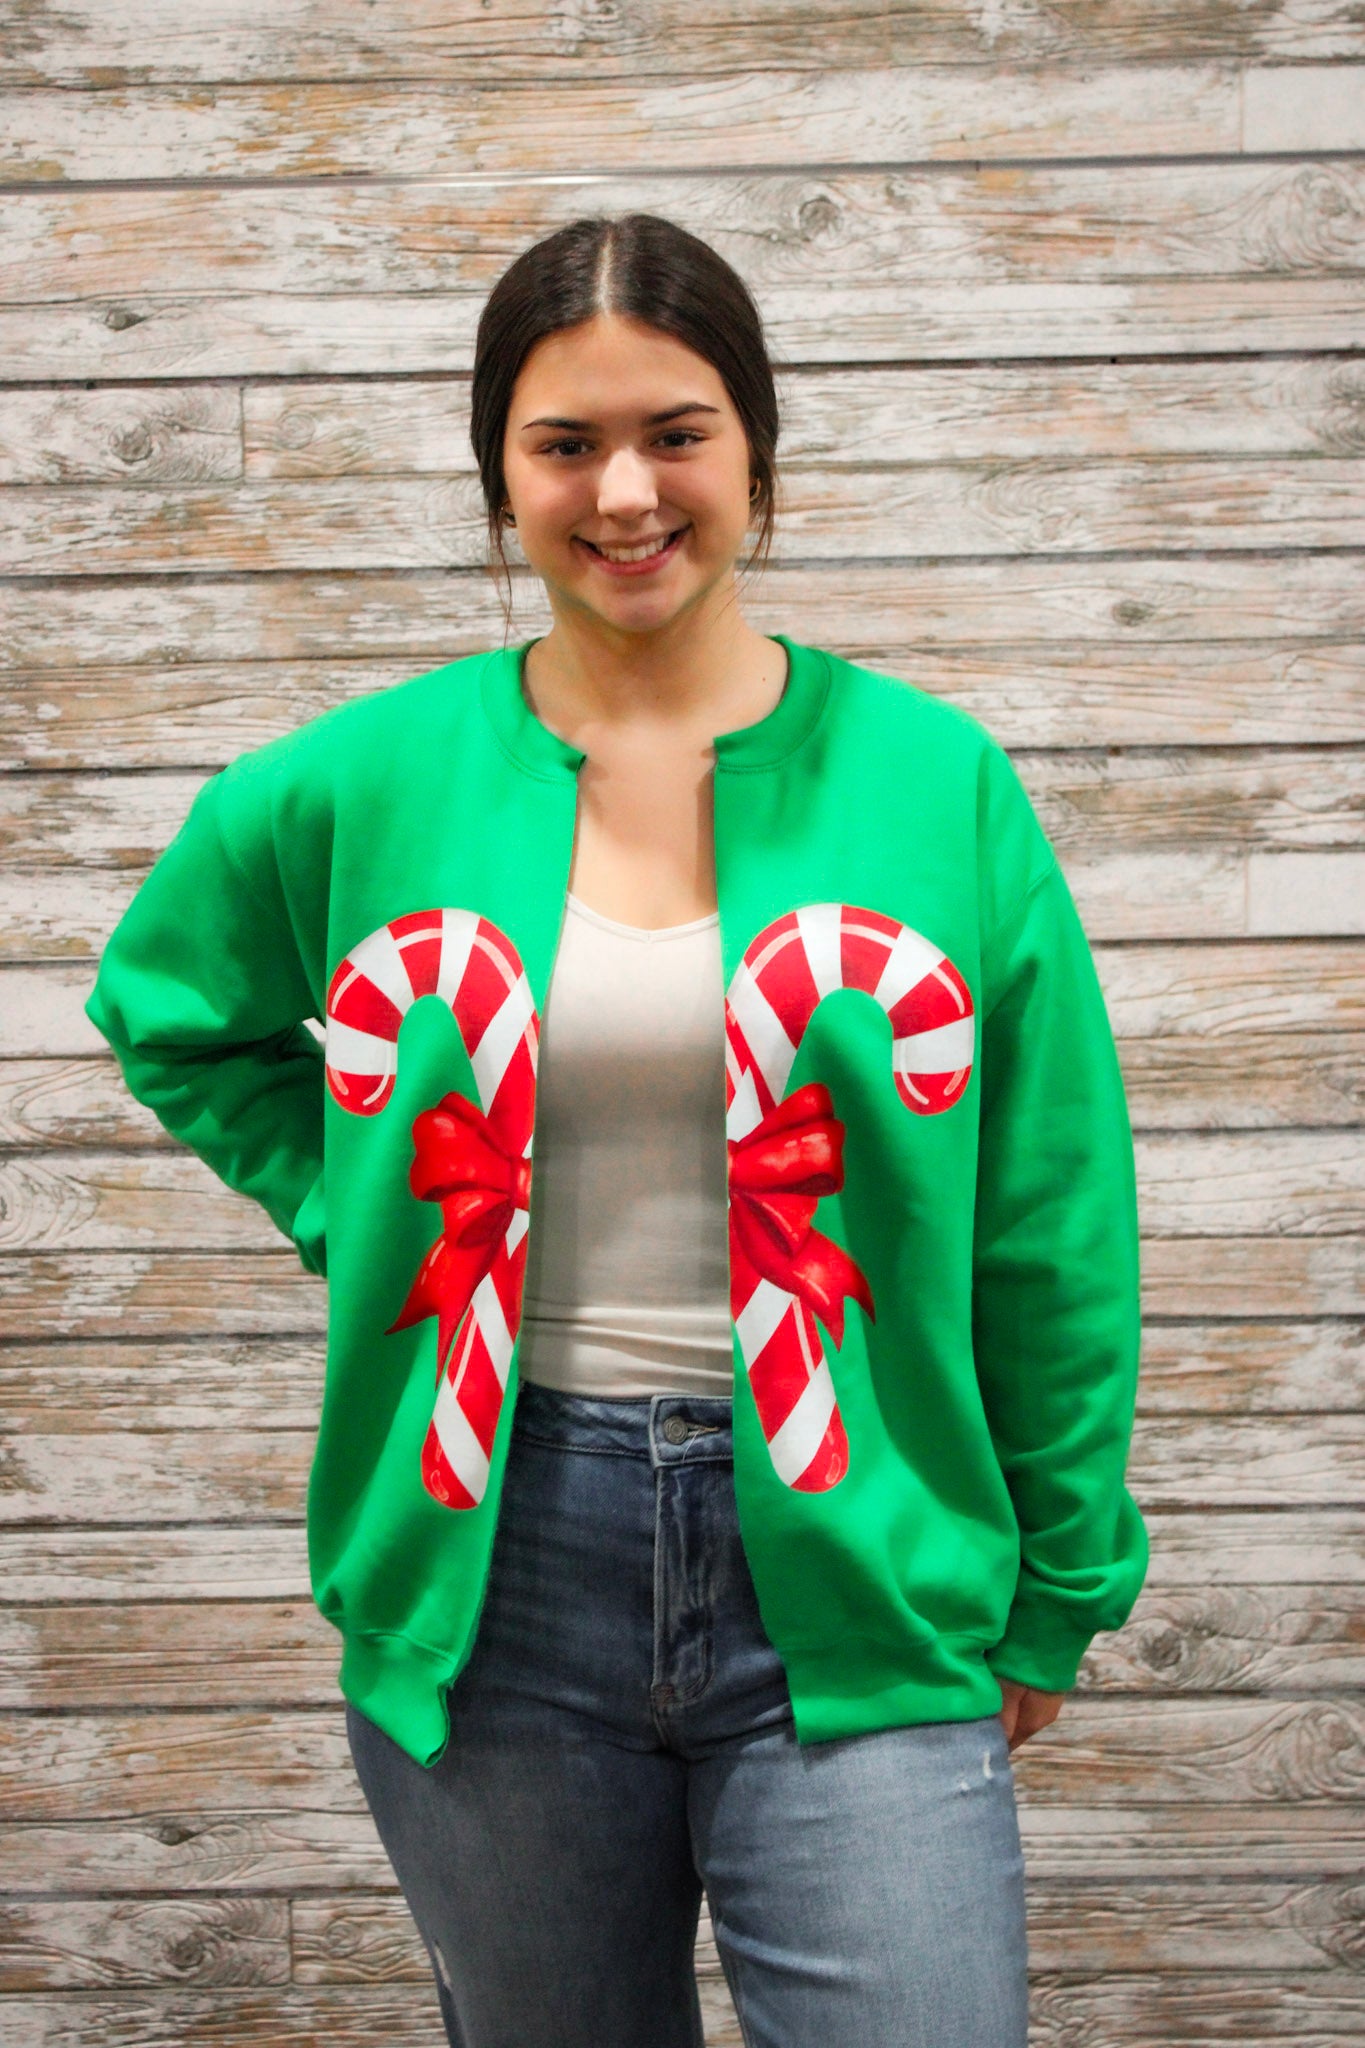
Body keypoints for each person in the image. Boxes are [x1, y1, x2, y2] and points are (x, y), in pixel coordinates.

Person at [83, 212, 1148, 2048]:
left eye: (677, 433)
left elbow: (1047, 1213)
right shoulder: (364, 778)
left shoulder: (935, 781)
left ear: (757, 452)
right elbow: (169, 1012)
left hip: (865, 1548)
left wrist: (1058, 1584)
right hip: (497, 1569)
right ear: (499, 476)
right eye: (565, 444)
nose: (627, 492)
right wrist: (358, 1206)